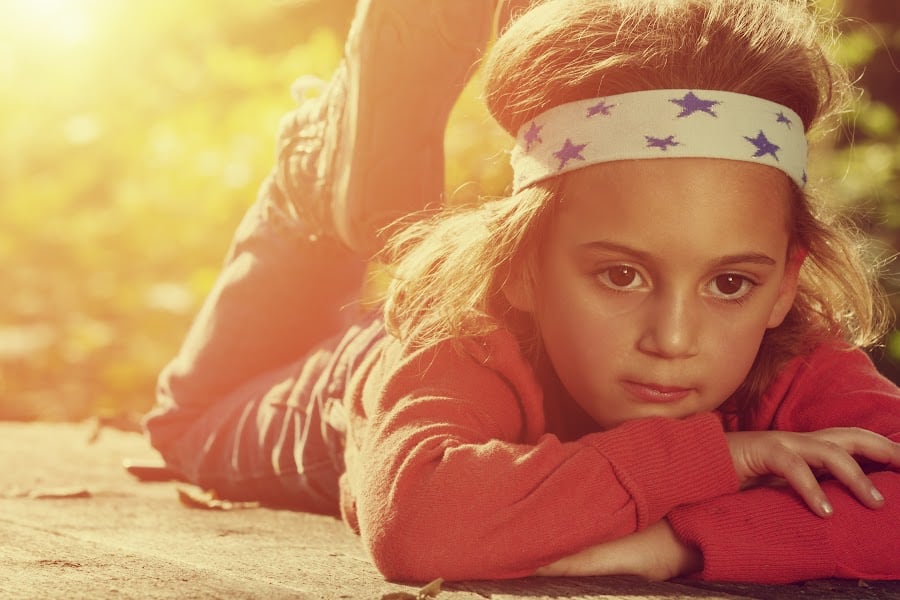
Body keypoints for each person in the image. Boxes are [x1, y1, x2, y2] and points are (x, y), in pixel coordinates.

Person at [144, 0, 900, 585]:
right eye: (621, 274)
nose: (673, 338)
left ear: (784, 283)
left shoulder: (796, 350)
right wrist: (719, 459)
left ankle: (333, 173)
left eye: (730, 283)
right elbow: (420, 525)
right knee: (182, 425)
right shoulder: (461, 338)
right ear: (521, 265)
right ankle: (304, 183)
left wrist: (676, 544)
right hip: (332, 400)